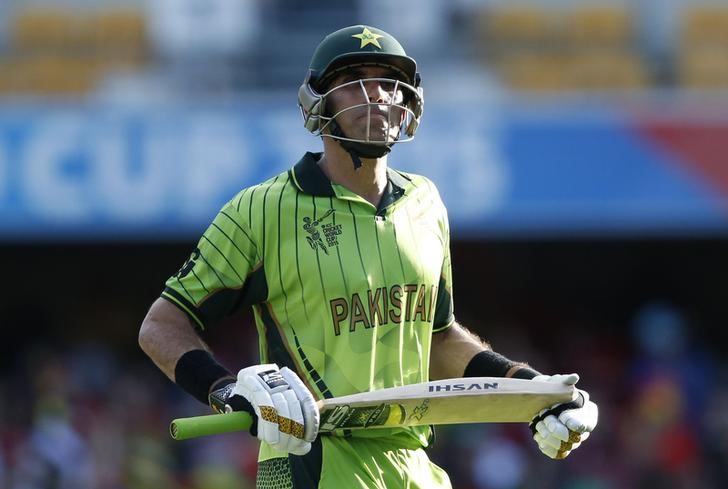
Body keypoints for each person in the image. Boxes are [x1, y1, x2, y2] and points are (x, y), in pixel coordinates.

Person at [138, 24, 598, 488]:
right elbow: (161, 325)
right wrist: (227, 390)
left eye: (388, 82)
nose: (376, 95)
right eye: (355, 80)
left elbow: (437, 339)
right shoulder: (260, 209)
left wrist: (535, 390)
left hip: (414, 465)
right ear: (318, 101)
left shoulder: (426, 202)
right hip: (311, 465)